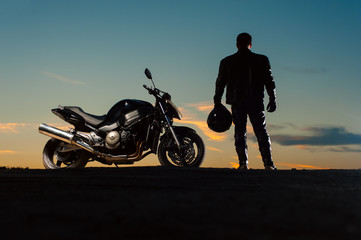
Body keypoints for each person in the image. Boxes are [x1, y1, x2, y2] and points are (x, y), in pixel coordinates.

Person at [213, 33, 277, 170]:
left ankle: (243, 164)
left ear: (237, 44)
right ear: (251, 44)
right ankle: (269, 164)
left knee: (239, 131)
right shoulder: (262, 60)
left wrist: (217, 100)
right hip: (256, 101)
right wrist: (273, 98)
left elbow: (220, 83)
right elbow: (269, 82)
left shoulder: (227, 61)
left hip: (237, 102)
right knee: (261, 131)